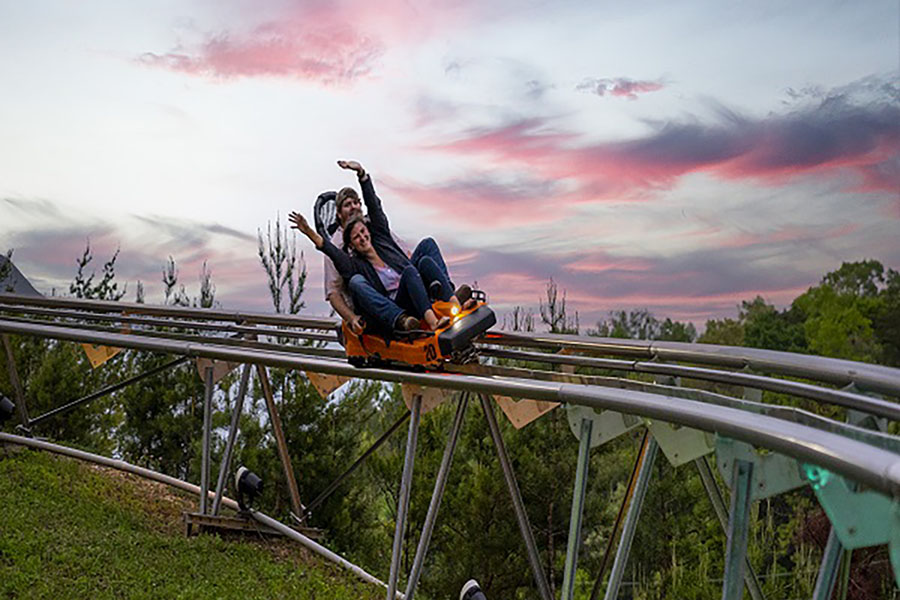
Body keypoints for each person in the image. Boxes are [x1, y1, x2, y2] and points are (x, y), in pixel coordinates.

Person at [290, 160, 471, 333]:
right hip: (386, 300)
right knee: (359, 281)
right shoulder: (348, 256)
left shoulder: (376, 233)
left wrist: (361, 174)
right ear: (351, 244)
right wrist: (309, 232)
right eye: (347, 205)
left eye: (356, 203)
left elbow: (375, 208)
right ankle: (411, 320)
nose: (362, 237)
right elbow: (332, 275)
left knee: (425, 255)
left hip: (406, 278)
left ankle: (451, 300)